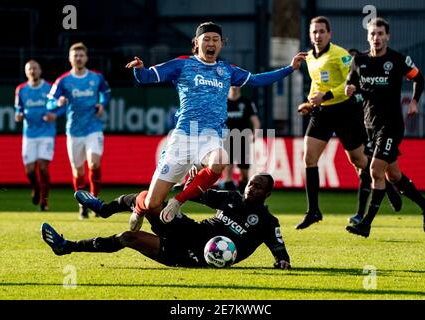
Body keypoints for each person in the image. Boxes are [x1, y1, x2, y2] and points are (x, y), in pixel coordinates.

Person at [124, 21, 307, 232]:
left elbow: (258, 80)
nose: (211, 43)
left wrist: (290, 68)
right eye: (206, 39)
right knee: (152, 204)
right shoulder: (182, 64)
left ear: (221, 44)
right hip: (184, 136)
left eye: (215, 39)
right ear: (196, 42)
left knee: (220, 161)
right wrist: (139, 69)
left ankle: (178, 200)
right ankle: (139, 206)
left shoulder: (226, 70)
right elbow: (147, 77)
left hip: (211, 136)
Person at [41, 172, 291, 270]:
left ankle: (68, 246)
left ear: (267, 194)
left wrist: (282, 262)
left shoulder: (268, 222)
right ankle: (104, 209)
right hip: (188, 230)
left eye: (258, 187)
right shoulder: (232, 198)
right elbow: (198, 194)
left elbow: (281, 253)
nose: (252, 188)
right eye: (251, 184)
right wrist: (190, 183)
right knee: (148, 199)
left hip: (193, 257)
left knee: (128, 238)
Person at [345, 17, 425, 237]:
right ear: (368, 36)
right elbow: (351, 82)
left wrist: (414, 101)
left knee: (375, 170)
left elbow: (419, 78)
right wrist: (349, 88)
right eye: (372, 34)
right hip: (370, 125)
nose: (376, 38)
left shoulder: (397, 60)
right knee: (393, 175)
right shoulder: (359, 61)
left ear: (388, 36)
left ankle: (365, 224)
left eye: (380, 34)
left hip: (391, 125)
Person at [295, 16, 371, 230]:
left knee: (360, 161)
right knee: (309, 157)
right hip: (322, 113)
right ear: (310, 35)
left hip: (344, 111)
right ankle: (313, 211)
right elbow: (315, 84)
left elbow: (352, 85)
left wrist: (326, 95)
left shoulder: (341, 55)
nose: (317, 36)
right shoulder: (309, 57)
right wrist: (309, 103)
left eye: (321, 31)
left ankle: (385, 184)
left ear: (329, 34)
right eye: (314, 32)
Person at [45, 42, 111, 220]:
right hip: (74, 132)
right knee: (78, 172)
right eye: (75, 55)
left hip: (93, 128)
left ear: (86, 58)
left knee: (94, 164)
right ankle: (83, 205)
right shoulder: (63, 80)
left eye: (81, 55)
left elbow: (106, 92)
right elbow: (49, 102)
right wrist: (56, 103)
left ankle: (95, 201)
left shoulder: (96, 77)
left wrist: (101, 104)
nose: (79, 58)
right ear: (70, 59)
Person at [346, 49, 402, 225]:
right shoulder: (349, 82)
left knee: (369, 169)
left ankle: (361, 215)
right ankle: (391, 190)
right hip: (356, 128)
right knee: (361, 165)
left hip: (372, 128)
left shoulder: (369, 81)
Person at [14, 60, 55, 211]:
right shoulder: (21, 90)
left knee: (43, 167)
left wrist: (54, 114)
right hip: (29, 134)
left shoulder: (50, 88)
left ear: (40, 70)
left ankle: (44, 202)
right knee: (30, 170)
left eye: (35, 68)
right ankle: (36, 188)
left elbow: (59, 106)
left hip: (46, 133)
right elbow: (18, 108)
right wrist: (18, 115)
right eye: (29, 69)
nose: (32, 71)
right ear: (26, 72)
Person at [221, 86, 261, 194]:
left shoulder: (247, 102)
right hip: (227, 139)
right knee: (228, 169)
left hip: (243, 139)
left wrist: (254, 135)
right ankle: (228, 199)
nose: (234, 86)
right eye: (232, 84)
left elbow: (256, 122)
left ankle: (244, 197)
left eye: (237, 84)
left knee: (244, 173)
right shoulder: (222, 101)